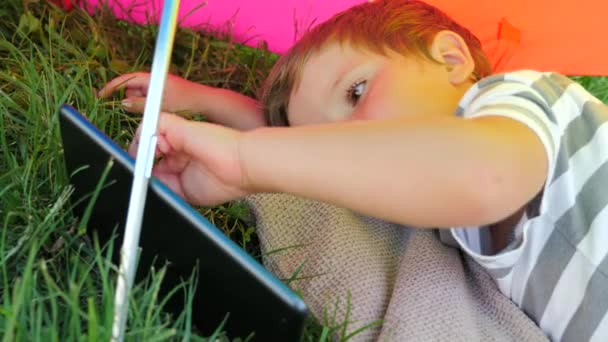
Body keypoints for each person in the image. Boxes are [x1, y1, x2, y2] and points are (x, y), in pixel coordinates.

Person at [98, 1, 608, 340]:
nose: (350, 134)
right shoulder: (427, 194)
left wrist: (242, 160)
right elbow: (338, 154)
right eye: (326, 133)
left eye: (357, 93)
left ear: (451, 59)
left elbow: (485, 174)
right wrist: (203, 100)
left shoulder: (517, 98)